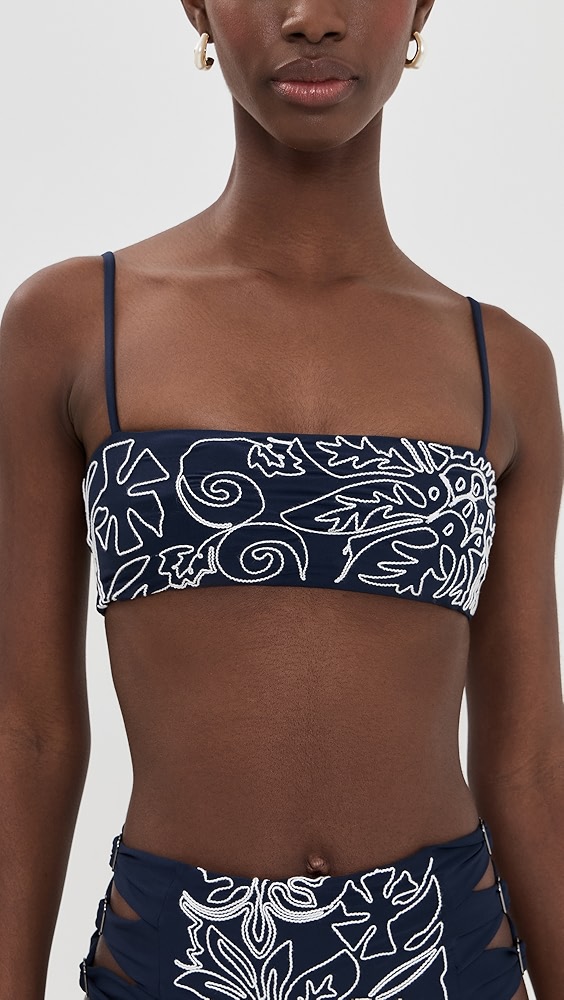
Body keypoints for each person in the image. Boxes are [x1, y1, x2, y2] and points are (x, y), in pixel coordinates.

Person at [1, 1, 563, 998]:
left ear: (421, 8)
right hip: (175, 962)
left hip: (446, 960)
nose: (311, 18)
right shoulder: (75, 325)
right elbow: (28, 731)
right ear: (197, 5)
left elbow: (528, 764)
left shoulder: (503, 365)